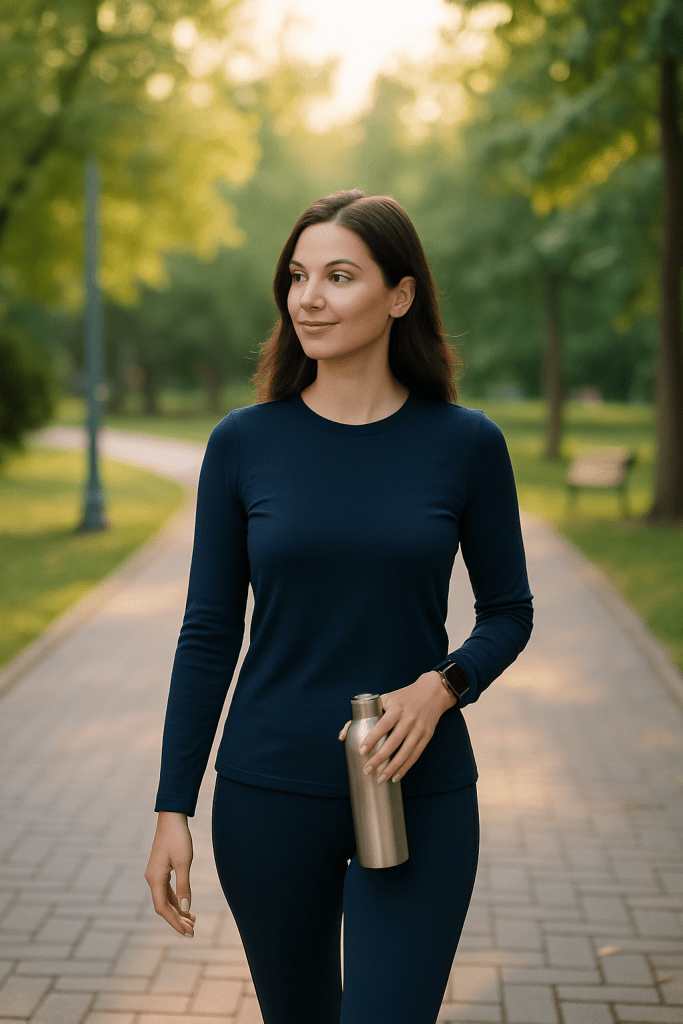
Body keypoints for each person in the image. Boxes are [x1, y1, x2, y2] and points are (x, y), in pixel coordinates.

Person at [145, 189, 533, 1024]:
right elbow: (208, 633)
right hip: (268, 794)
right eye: (297, 276)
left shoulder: (466, 445)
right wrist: (171, 805)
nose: (308, 297)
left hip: (418, 789)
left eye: (338, 275)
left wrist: (443, 685)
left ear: (400, 296)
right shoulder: (243, 444)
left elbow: (509, 610)